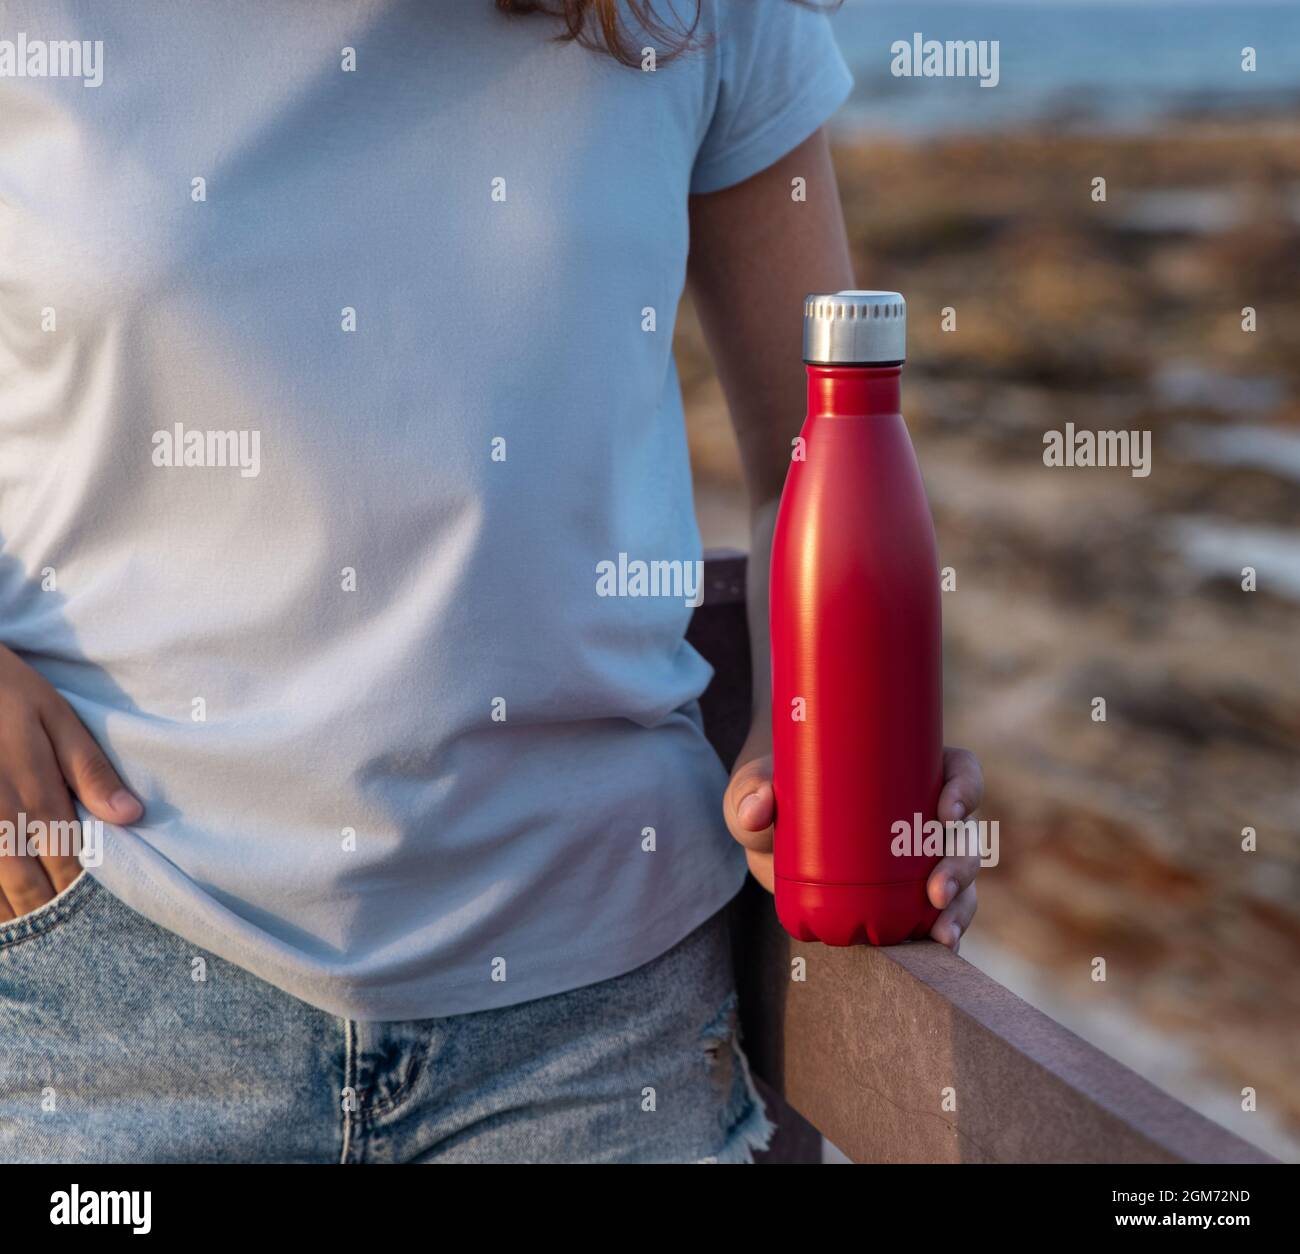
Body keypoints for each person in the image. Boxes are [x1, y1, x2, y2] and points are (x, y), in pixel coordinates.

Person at [0, 0, 982, 1163]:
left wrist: (807, 746)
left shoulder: (706, 10)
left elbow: (814, 454)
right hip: (100, 967)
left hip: (595, 1022)